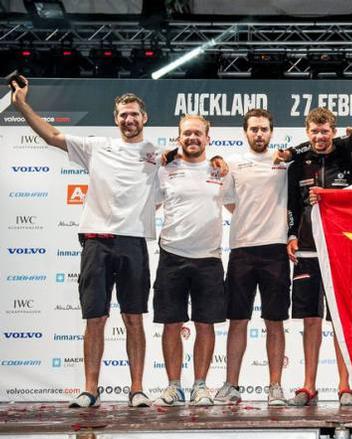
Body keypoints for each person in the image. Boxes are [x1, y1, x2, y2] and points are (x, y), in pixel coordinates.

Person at [10, 77, 156, 408]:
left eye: (134, 114)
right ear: (116, 118)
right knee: (96, 318)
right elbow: (53, 135)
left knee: (134, 318)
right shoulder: (96, 146)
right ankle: (90, 389)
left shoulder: (156, 156)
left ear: (144, 118)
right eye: (122, 114)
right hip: (96, 242)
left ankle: (137, 389)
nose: (128, 119)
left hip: (133, 243)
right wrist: (21, 106)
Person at [214, 109, 290, 406]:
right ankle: (231, 385)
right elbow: (229, 202)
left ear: (272, 132)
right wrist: (250, 218)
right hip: (242, 250)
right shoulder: (232, 164)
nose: (259, 134)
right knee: (237, 320)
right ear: (245, 132)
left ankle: (275, 387)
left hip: (276, 250)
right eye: (254, 129)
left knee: (275, 321)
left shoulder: (284, 163)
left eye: (264, 129)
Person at [152, 115, 228, 407]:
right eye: (187, 133)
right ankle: (173, 386)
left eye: (198, 133)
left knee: (205, 324)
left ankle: (200, 386)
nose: (192, 138)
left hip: (209, 258)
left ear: (208, 138)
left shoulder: (220, 170)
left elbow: (235, 206)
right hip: (172, 256)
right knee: (172, 324)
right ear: (178, 137)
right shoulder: (164, 170)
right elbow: (147, 202)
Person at [286, 107, 352, 407]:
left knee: (340, 321)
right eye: (314, 131)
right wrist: (290, 234)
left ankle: (345, 386)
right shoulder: (297, 165)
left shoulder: (349, 156)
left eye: (325, 130)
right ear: (308, 133)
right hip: (306, 248)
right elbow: (290, 204)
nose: (320, 136)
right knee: (311, 320)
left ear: (333, 130)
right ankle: (308, 385)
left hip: (341, 250)